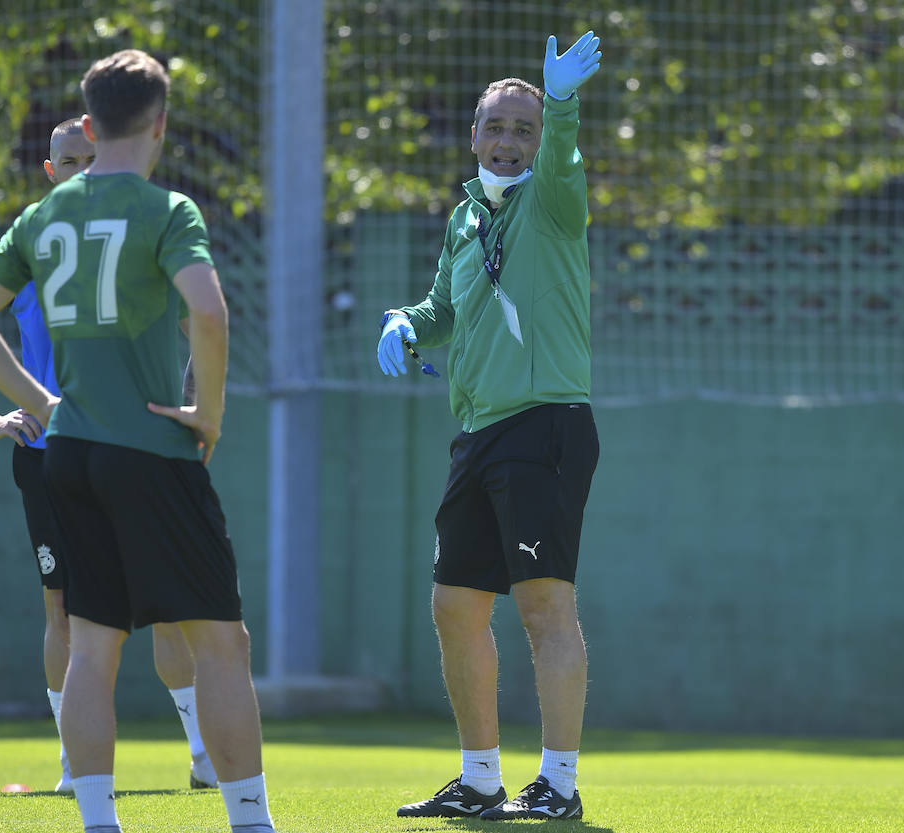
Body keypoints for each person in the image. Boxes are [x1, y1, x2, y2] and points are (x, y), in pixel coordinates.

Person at [0, 49, 274, 833]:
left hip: (73, 456)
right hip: (153, 448)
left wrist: (40, 403)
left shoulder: (42, 215)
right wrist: (209, 413)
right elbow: (211, 315)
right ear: (161, 124)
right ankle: (252, 822)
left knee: (92, 646)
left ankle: (97, 820)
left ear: (89, 124)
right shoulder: (168, 212)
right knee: (222, 643)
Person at [378, 31, 602, 822]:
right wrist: (407, 321)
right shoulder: (464, 218)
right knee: (455, 607)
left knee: (544, 605)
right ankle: (479, 779)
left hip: (545, 424)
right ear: (473, 136)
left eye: (524, 129)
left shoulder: (554, 197)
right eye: (495, 127)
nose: (508, 142)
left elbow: (566, 157)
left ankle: (561, 784)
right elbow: (443, 309)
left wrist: (563, 104)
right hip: (476, 435)